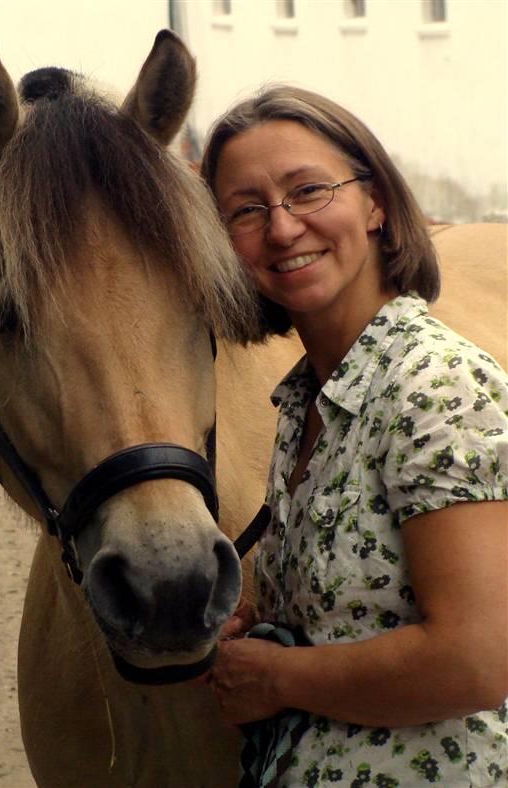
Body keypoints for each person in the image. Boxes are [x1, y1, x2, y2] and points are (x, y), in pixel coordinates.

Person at [199, 86, 508, 787]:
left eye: (309, 190)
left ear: (376, 205)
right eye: (246, 210)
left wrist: (279, 677)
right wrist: (262, 628)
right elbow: (359, 606)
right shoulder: (307, 398)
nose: (281, 230)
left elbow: (475, 662)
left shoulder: (433, 386)